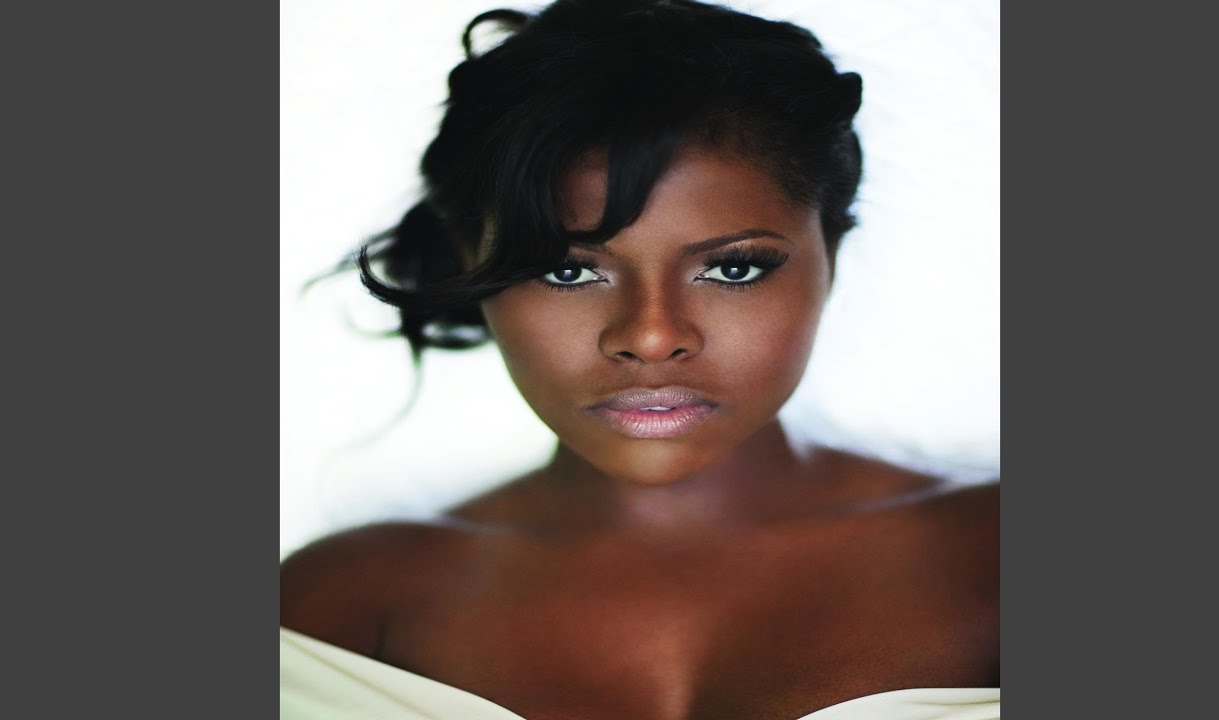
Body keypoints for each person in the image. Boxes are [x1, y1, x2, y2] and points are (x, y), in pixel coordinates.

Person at [280, 1, 999, 718]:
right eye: (567, 271)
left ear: (830, 258)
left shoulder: (993, 559)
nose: (651, 338)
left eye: (734, 269)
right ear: (474, 268)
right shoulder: (340, 610)